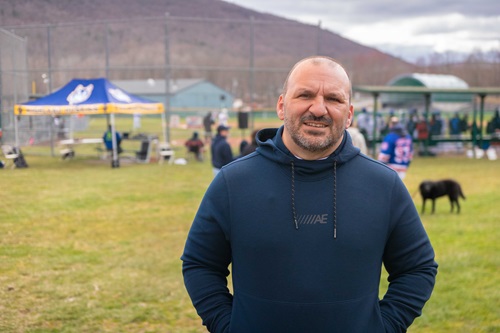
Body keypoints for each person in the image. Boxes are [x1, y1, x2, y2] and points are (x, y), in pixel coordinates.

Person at [182, 56, 437, 333]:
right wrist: (227, 325)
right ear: (282, 105)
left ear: (349, 113)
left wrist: (382, 326)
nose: (318, 109)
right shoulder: (232, 182)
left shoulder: (383, 185)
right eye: (305, 95)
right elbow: (200, 263)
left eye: (333, 99)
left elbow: (418, 268)